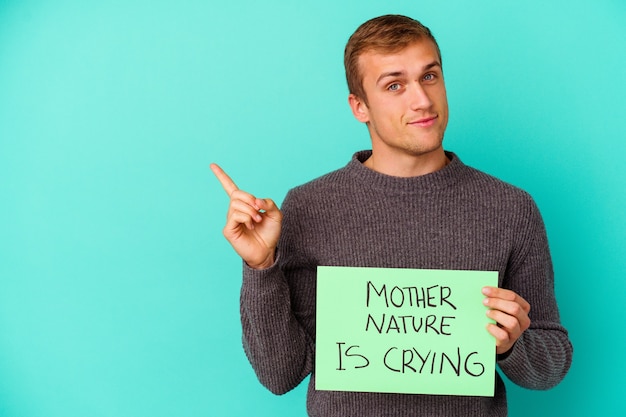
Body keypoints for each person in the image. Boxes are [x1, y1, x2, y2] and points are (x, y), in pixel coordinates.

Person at [211, 14, 572, 417]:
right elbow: (281, 375)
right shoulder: (310, 206)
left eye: (430, 76)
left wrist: (511, 344)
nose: (421, 100)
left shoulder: (511, 208)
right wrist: (261, 266)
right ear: (359, 106)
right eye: (395, 85)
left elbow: (552, 363)